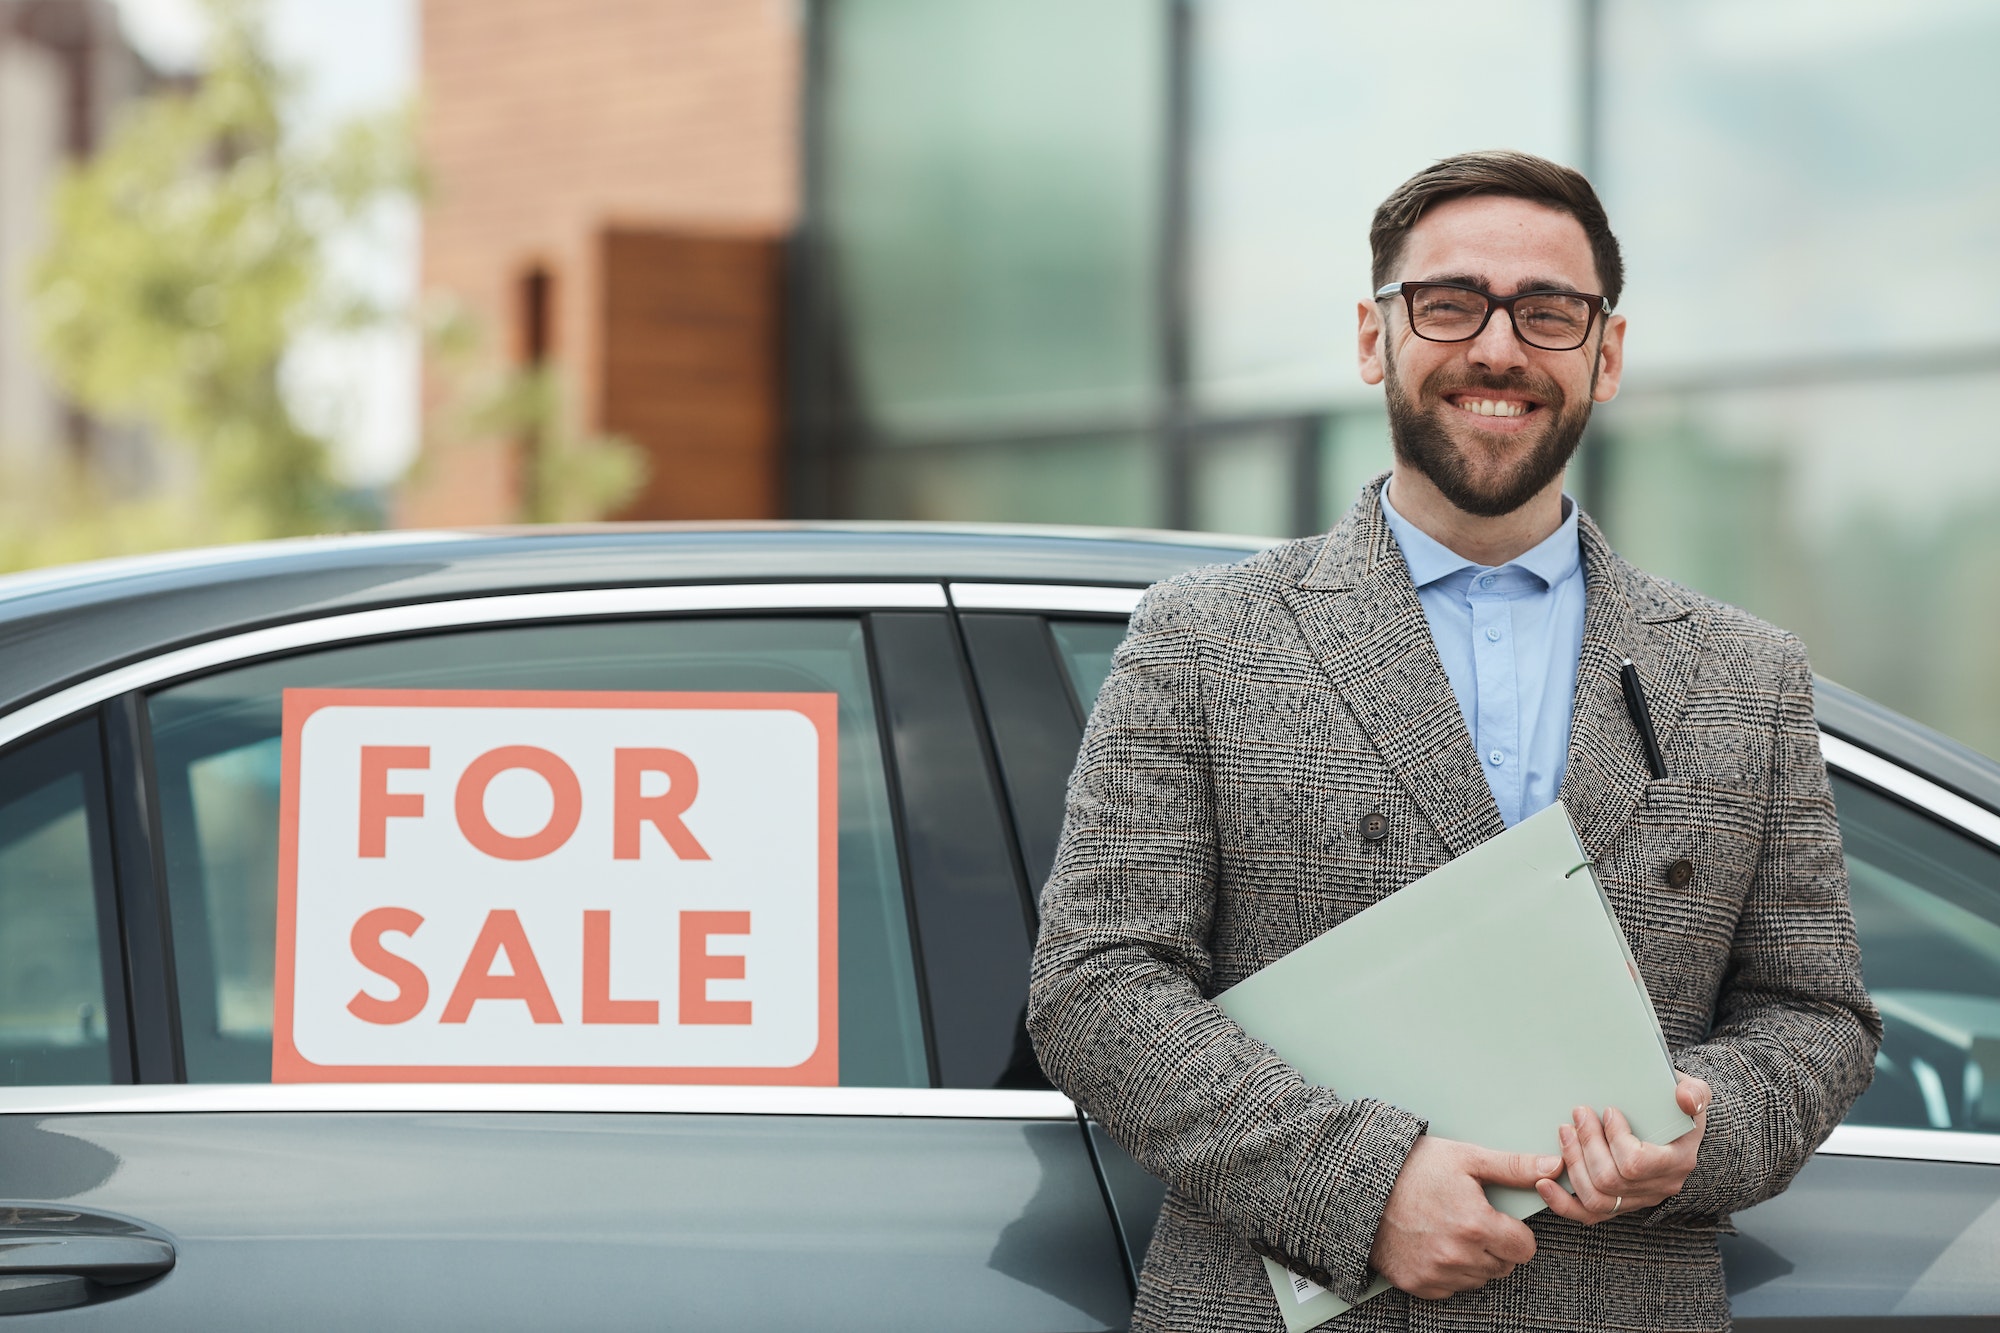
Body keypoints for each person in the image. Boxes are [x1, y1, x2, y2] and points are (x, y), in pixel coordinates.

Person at [1026, 150, 1880, 1332]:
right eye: (1447, 302)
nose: (1496, 347)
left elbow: (1814, 1012)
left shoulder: (1744, 674)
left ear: (1605, 356)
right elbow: (1094, 983)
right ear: (1374, 339)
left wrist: (1698, 1125)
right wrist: (1360, 1185)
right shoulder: (1203, 639)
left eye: (1547, 311)